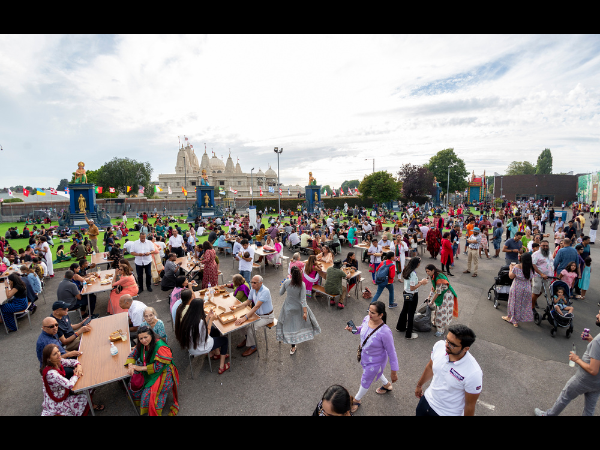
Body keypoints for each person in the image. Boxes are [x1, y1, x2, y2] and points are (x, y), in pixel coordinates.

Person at [535, 309, 600, 416]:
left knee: (565, 396)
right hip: (598, 384)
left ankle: (548, 415)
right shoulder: (596, 341)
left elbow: (593, 370)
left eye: (599, 313)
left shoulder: (598, 341)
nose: (597, 315)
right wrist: (591, 341)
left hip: (584, 379)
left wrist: (577, 359)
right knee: (589, 410)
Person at [415, 324, 482, 416]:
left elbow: (469, 405)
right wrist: (419, 385)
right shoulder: (439, 346)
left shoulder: (474, 373)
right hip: (426, 402)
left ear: (465, 349)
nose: (446, 345)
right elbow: (430, 366)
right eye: (447, 340)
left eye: (452, 344)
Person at [345, 301, 399, 413]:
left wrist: (394, 371)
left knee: (365, 380)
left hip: (375, 362)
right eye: (369, 310)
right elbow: (362, 330)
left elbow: (392, 352)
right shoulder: (366, 319)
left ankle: (357, 400)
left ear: (381, 315)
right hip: (365, 357)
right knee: (376, 372)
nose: (369, 313)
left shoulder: (385, 332)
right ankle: (387, 385)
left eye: (373, 312)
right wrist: (353, 330)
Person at [125, 326, 180, 416]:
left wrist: (139, 368)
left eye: (145, 337)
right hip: (149, 371)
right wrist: (131, 366)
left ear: (151, 335)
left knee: (148, 396)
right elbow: (133, 354)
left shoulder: (160, 346)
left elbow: (159, 367)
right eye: (141, 338)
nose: (143, 340)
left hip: (164, 373)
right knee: (134, 386)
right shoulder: (142, 345)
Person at [40, 344, 102, 416]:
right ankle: (90, 406)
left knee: (87, 387)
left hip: (61, 392)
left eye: (58, 351)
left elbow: (71, 362)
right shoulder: (51, 374)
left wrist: (78, 366)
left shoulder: (57, 362)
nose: (58, 354)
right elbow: (69, 385)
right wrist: (76, 374)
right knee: (84, 397)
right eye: (55, 354)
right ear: (49, 359)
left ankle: (91, 405)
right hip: (57, 400)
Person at [276, 266, 321, 355]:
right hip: (299, 307)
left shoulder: (286, 282)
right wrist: (305, 312)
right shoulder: (302, 284)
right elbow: (303, 300)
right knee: (303, 322)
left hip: (288, 307)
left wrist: (282, 284)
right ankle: (304, 336)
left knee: (291, 325)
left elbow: (280, 293)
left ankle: (293, 347)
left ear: (291, 274)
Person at [232, 275, 274, 357]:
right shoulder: (253, 288)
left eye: (255, 282)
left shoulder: (265, 291)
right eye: (251, 282)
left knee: (251, 328)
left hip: (267, 317)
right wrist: (237, 306)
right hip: (257, 314)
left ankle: (253, 346)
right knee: (241, 324)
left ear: (261, 283)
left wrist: (245, 318)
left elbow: (256, 306)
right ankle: (248, 338)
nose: (252, 284)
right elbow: (248, 301)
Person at [425, 264, 459, 337]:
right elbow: (433, 287)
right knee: (437, 309)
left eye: (428, 271)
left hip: (446, 296)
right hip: (442, 294)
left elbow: (438, 292)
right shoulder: (434, 275)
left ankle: (441, 330)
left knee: (441, 312)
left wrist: (431, 301)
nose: (427, 273)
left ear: (433, 270)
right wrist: (429, 297)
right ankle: (436, 323)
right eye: (426, 271)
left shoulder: (439, 279)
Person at [502, 253, 534, 327]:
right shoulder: (530, 268)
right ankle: (518, 318)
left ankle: (512, 319)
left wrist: (510, 268)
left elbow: (511, 276)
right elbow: (531, 278)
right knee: (522, 304)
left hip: (517, 287)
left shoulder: (517, 267)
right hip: (527, 287)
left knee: (514, 302)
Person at [531, 240, 554, 309]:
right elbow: (533, 265)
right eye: (543, 245)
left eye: (546, 245)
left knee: (541, 291)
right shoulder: (536, 254)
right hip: (538, 276)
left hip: (548, 277)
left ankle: (532, 301)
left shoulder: (549, 252)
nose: (545, 247)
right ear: (540, 246)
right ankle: (532, 308)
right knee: (535, 292)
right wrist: (541, 274)